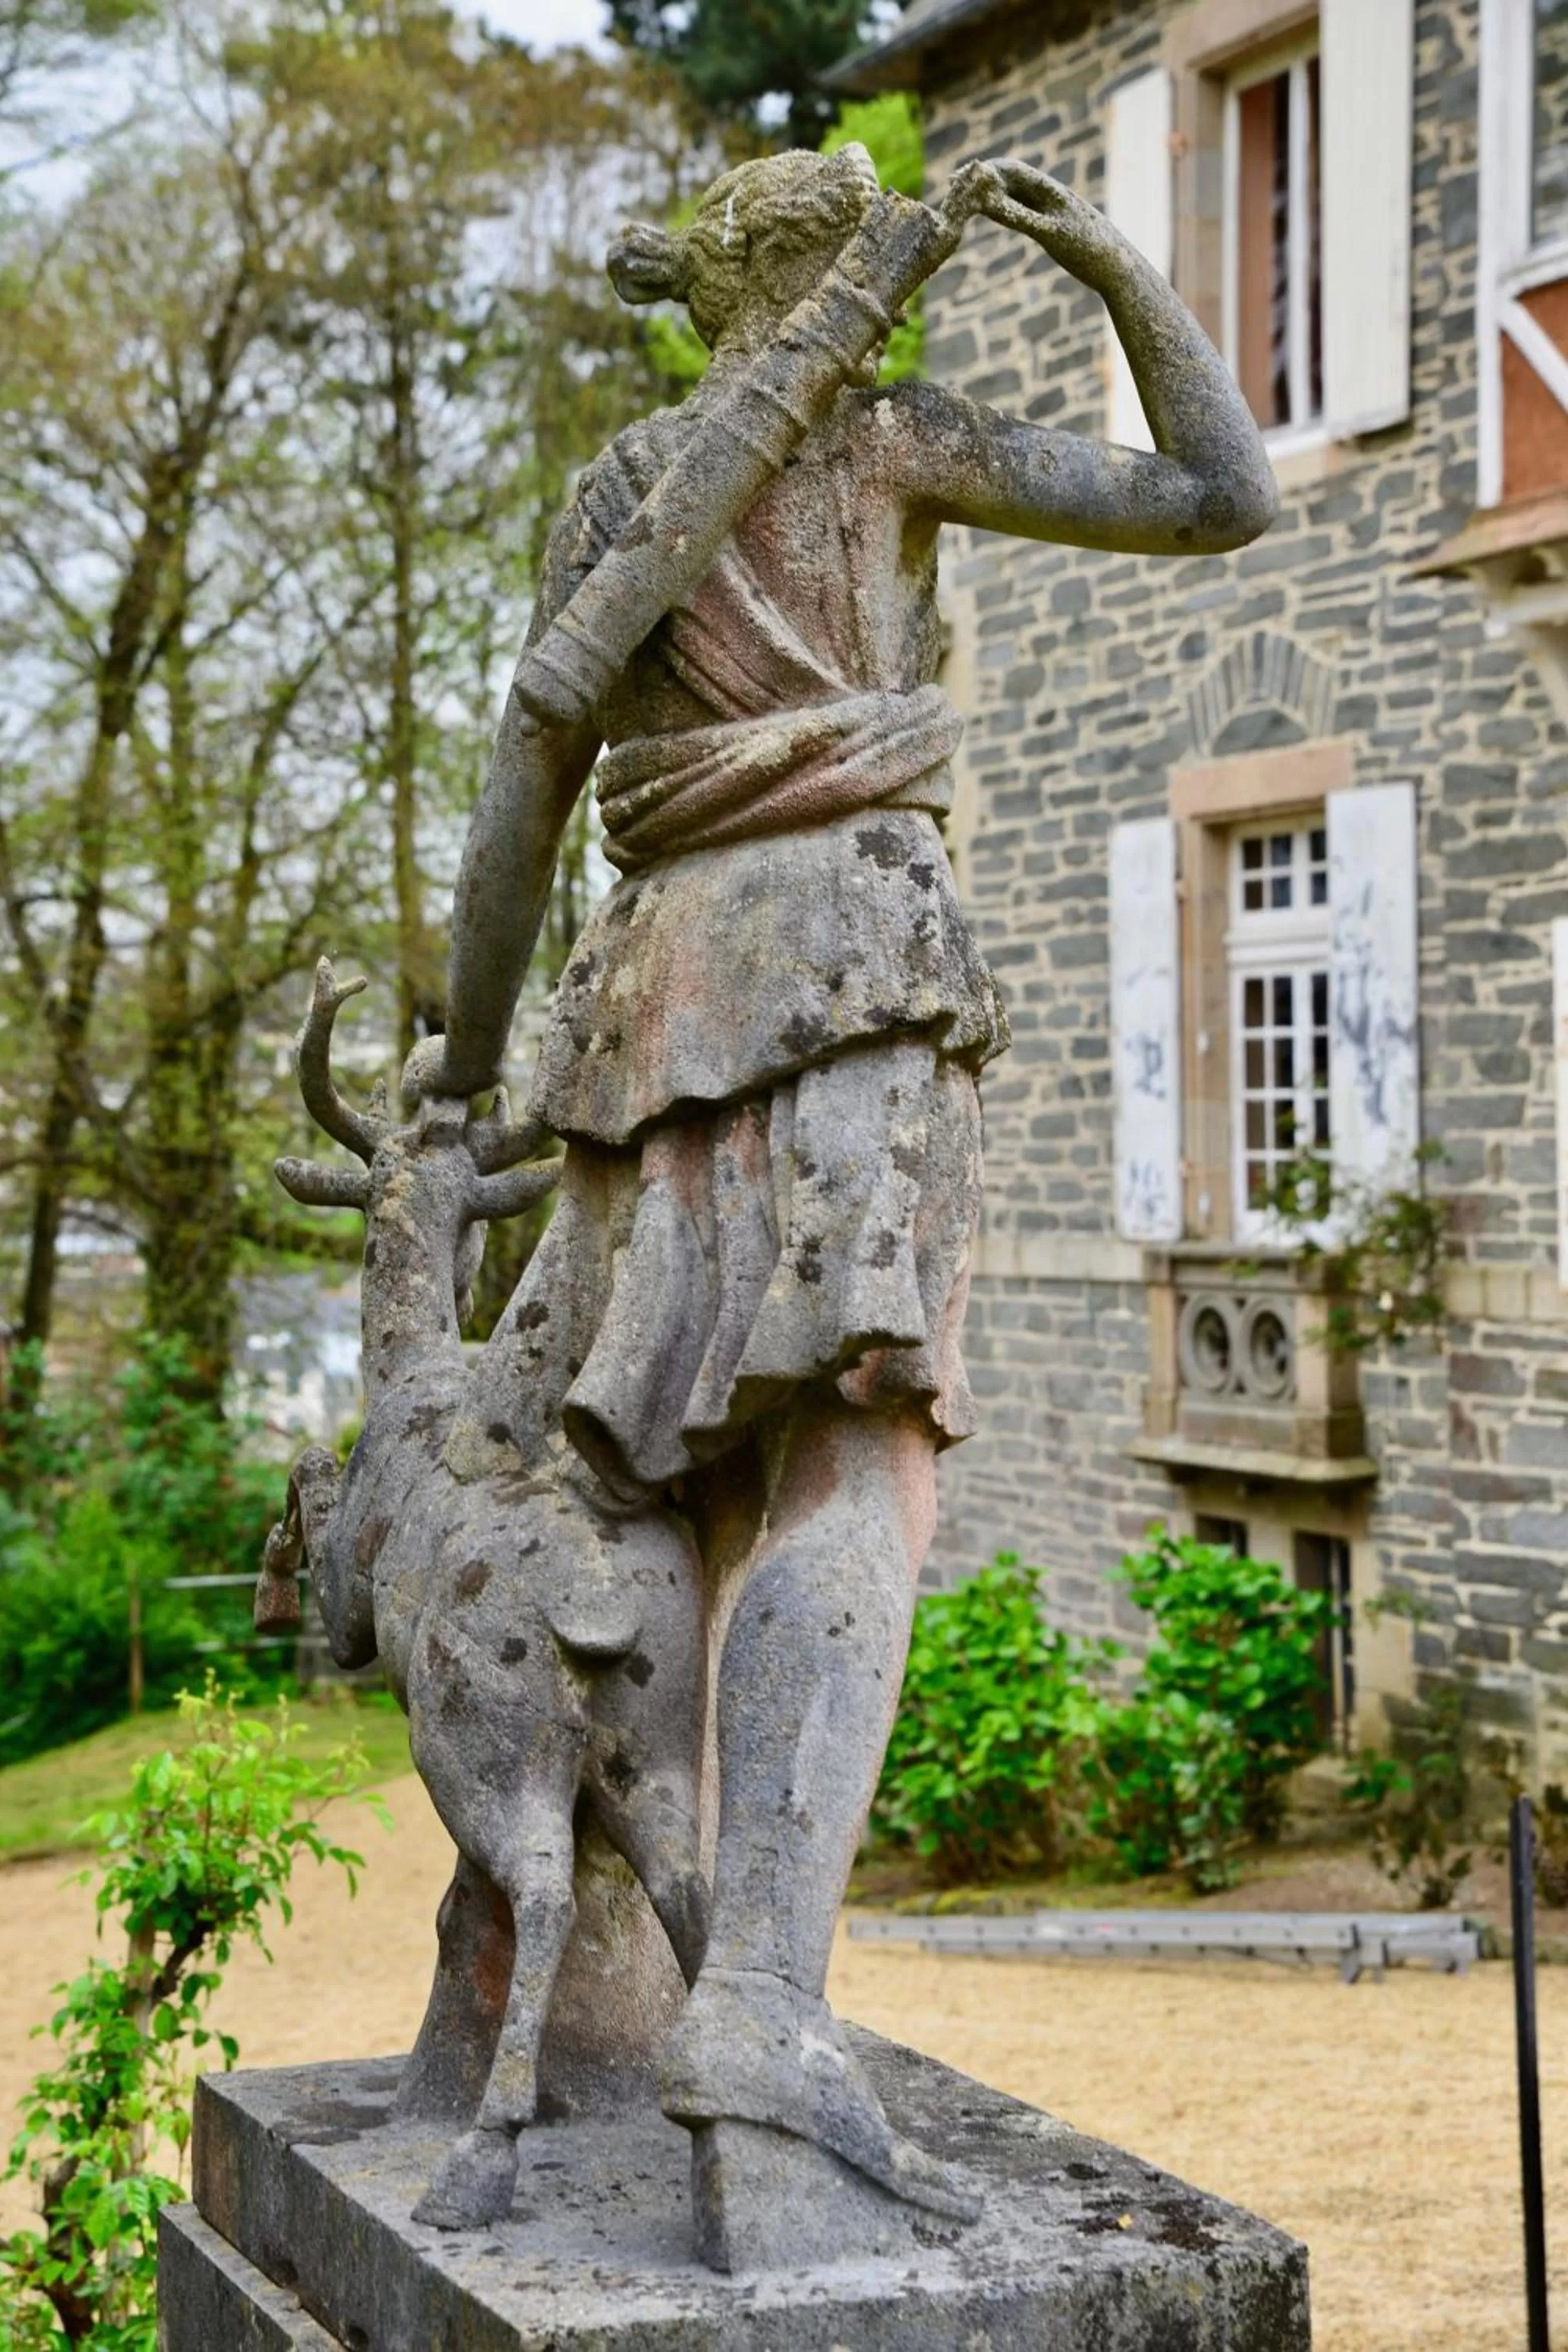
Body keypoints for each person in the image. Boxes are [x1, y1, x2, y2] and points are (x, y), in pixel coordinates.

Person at [400, 142, 1276, 2226]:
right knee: (843, 1462)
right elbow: (1221, 493)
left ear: (707, 298)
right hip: (857, 960)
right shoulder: (888, 446)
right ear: (854, 305)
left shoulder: (627, 492)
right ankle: (762, 2026)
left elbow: (531, 775)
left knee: (640, 1475)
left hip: (654, 986)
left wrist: (468, 1045)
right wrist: (1129, 283)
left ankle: (542, 2006)